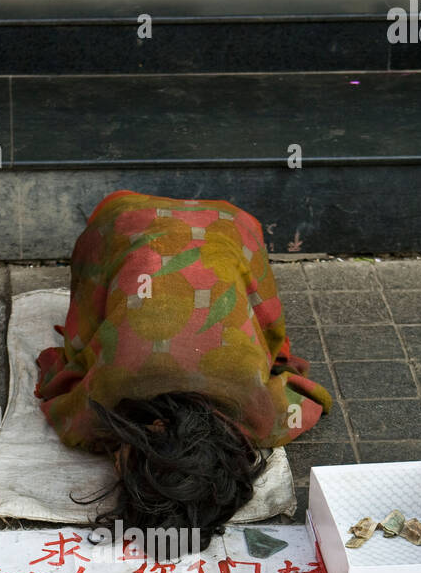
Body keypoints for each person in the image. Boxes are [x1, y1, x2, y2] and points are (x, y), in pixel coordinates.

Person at [34, 190, 333, 551]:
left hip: (220, 225)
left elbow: (310, 399)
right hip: (137, 221)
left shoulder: (259, 414)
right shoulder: (108, 399)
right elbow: (68, 413)